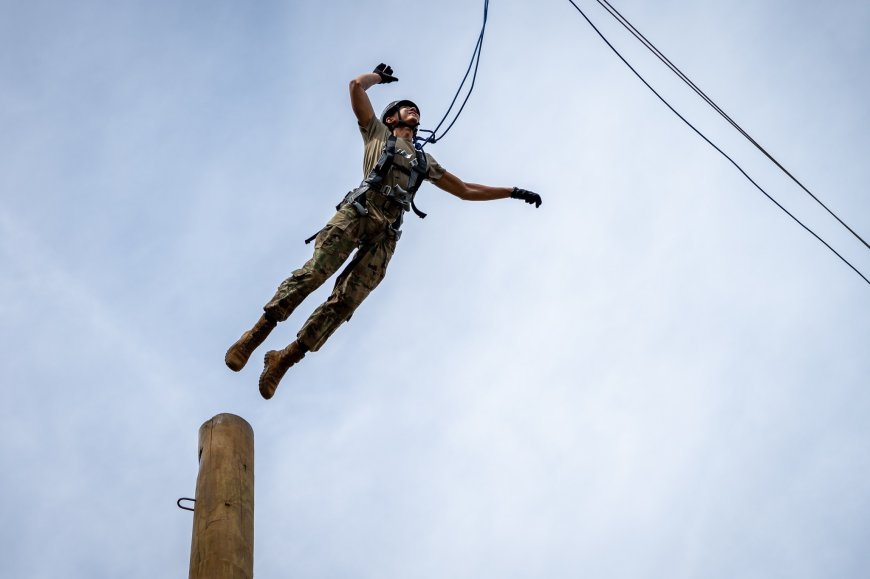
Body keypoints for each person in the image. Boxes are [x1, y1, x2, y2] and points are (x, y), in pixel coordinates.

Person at [225, 64, 542, 400]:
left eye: (416, 109)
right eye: (405, 107)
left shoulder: (424, 161)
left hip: (386, 233)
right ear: (391, 119)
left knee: (346, 301)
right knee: (314, 273)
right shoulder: (376, 133)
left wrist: (512, 191)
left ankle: (285, 358)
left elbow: (465, 189)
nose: (413, 110)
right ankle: (256, 334)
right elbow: (355, 88)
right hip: (359, 213)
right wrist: (376, 77)